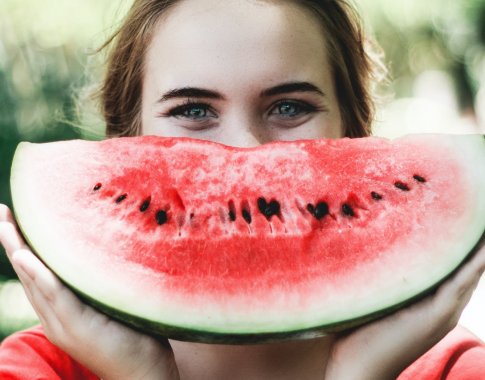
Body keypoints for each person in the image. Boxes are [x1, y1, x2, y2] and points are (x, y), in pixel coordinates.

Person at [0, 0, 484, 379]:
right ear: (123, 140)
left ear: (355, 132)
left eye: (290, 107)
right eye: (193, 110)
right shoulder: (32, 370)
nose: (244, 152)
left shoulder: (458, 370)